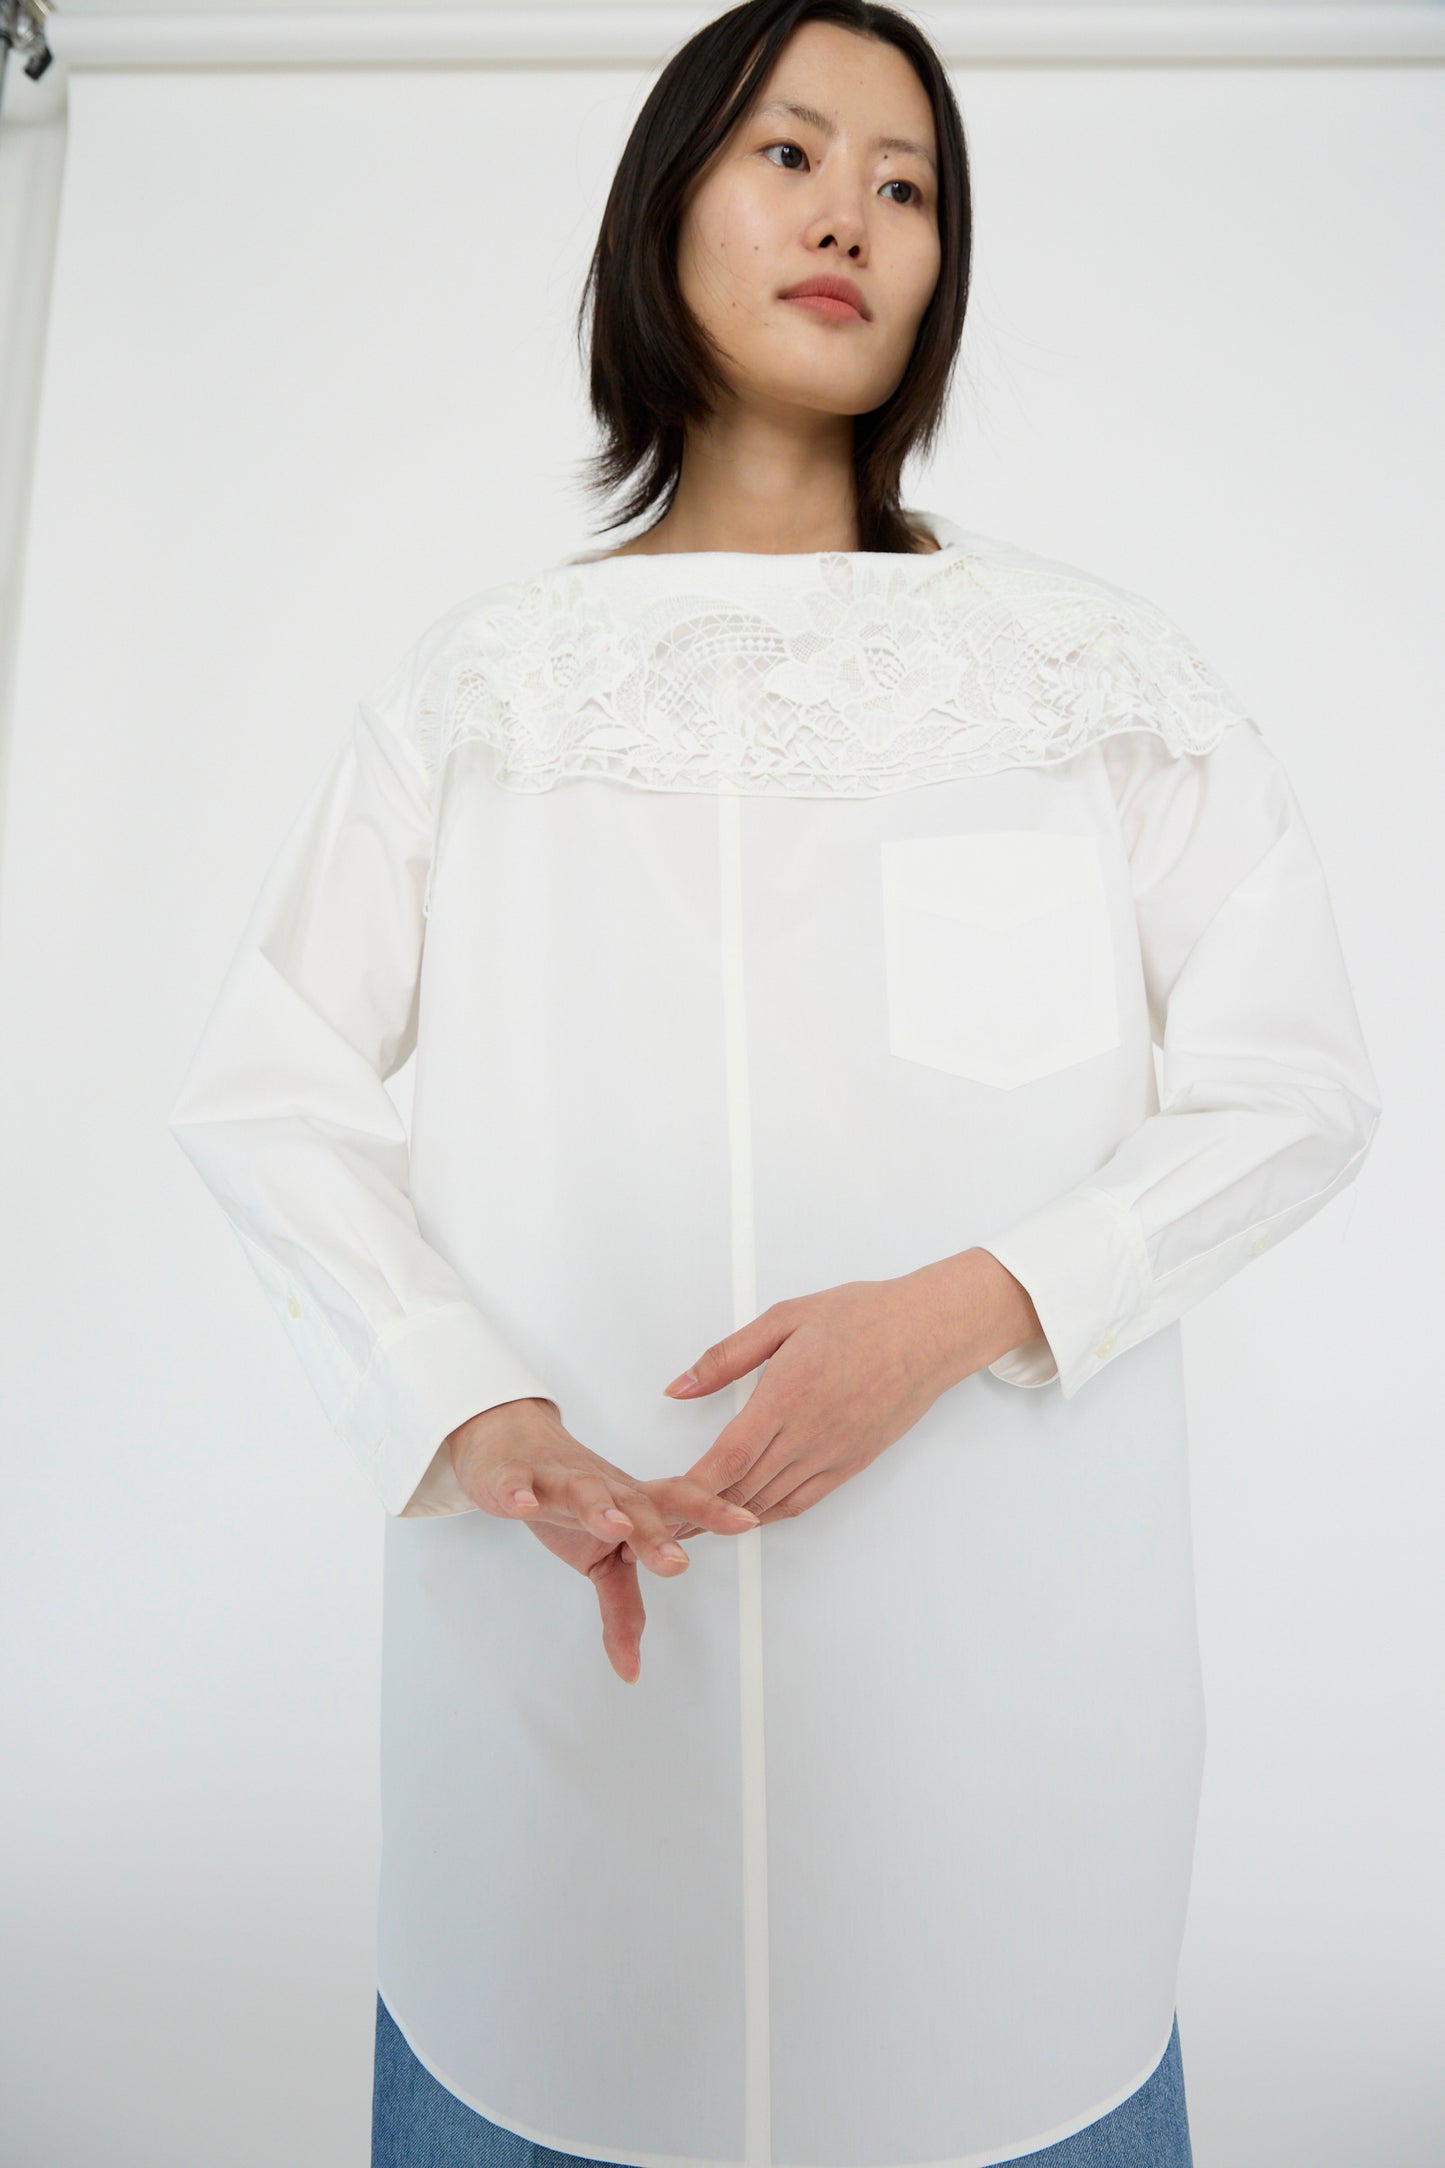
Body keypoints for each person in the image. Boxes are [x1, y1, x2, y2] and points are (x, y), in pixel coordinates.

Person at [167, 3, 1382, 2165]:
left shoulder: (1087, 678)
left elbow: (1294, 1082)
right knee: (556, 2042)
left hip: (1001, 1776)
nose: (852, 215)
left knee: (997, 2042)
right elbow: (270, 1087)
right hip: (559, 1724)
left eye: (907, 185)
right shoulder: (482, 695)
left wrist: (968, 1306)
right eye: (792, 154)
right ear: (668, 210)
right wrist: (466, 1399)